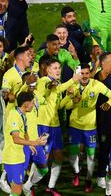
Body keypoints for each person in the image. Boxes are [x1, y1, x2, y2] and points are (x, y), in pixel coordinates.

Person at [62, 63, 111, 192]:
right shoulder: (72, 86)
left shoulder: (96, 85)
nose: (84, 76)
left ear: (90, 74)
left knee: (91, 155)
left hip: (90, 127)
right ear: (78, 74)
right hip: (75, 125)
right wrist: (73, 100)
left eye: (86, 73)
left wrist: (108, 103)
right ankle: (76, 172)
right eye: (82, 74)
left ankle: (88, 180)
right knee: (74, 154)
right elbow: (66, 107)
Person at [34, 58, 81, 195]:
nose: (58, 70)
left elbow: (59, 106)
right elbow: (52, 88)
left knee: (59, 156)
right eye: (54, 68)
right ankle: (30, 184)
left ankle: (51, 186)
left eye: (59, 68)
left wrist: (69, 97)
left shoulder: (57, 83)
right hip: (44, 125)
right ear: (47, 70)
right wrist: (73, 80)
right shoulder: (44, 81)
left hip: (55, 125)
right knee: (43, 159)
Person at [1, 91, 47, 196]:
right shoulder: (14, 116)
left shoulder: (22, 115)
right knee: (17, 190)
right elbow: (16, 139)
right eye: (32, 102)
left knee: (16, 190)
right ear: (26, 104)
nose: (33, 104)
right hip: (12, 158)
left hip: (18, 157)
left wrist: (30, 144)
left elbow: (25, 133)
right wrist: (34, 142)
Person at [94, 51, 111, 188]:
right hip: (104, 118)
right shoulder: (100, 77)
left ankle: (110, 169)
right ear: (104, 64)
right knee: (105, 147)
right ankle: (100, 176)